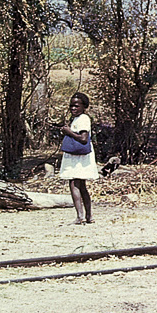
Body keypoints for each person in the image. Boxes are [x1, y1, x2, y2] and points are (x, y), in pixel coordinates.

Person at [59, 92, 98, 224]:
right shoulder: (77, 119)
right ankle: (88, 216)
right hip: (77, 156)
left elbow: (83, 138)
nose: (73, 108)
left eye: (76, 106)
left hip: (79, 157)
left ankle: (80, 216)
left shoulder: (83, 119)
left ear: (84, 106)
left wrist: (68, 132)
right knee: (81, 185)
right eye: (71, 106)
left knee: (75, 184)